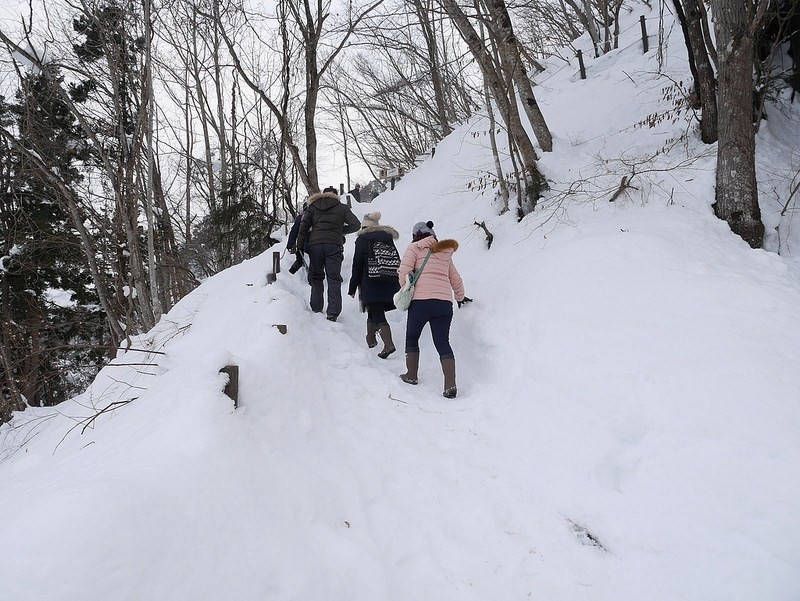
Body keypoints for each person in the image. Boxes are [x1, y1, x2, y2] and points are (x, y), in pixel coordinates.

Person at [397, 220, 471, 398]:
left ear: (416, 235)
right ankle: (450, 385)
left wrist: (405, 288)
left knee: (412, 336)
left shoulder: (414, 248)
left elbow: (403, 273)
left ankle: (412, 375)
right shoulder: (444, 252)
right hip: (444, 303)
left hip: (421, 302)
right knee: (442, 341)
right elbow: (455, 278)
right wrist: (460, 297)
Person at [296, 186, 361, 321]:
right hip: (334, 246)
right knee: (333, 278)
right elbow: (356, 225)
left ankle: (316, 308)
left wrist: (300, 247)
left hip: (315, 246)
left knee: (316, 276)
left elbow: (303, 228)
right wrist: (339, 231)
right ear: (336, 195)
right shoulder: (342, 207)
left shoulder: (312, 207)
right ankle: (333, 313)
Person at [348, 211, 401, 358]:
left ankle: (388, 344)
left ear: (364, 227)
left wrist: (352, 286)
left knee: (377, 312)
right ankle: (370, 339)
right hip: (389, 280)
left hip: (371, 281)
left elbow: (357, 265)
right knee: (374, 309)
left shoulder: (362, 240)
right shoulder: (387, 238)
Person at [286, 202, 308, 274]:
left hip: (303, 242)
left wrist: (289, 245)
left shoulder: (301, 217)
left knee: (300, 259)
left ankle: (291, 273)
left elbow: (294, 232)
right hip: (317, 242)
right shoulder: (317, 216)